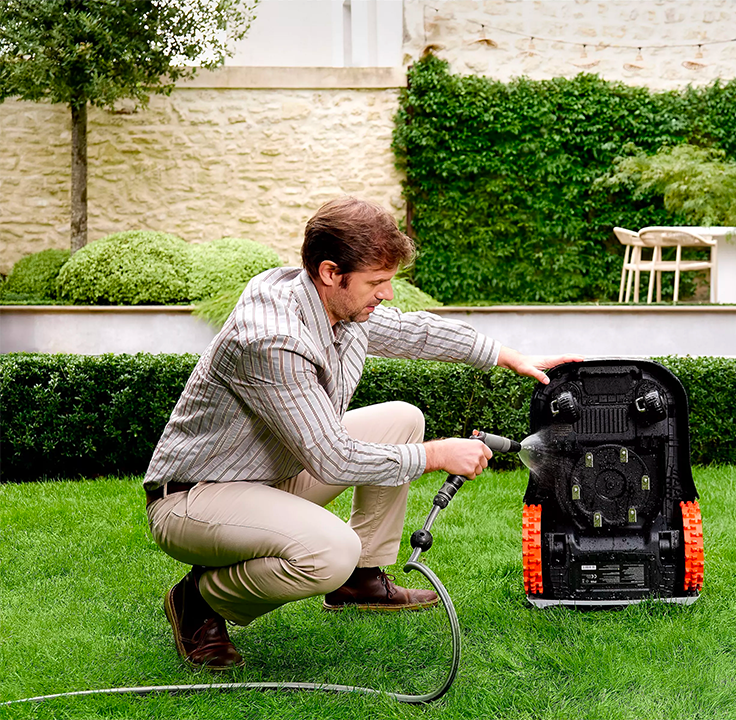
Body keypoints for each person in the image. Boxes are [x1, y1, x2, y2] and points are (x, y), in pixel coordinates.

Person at [144, 196, 580, 671]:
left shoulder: (333, 304)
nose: (387, 295)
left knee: (402, 419)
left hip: (272, 471)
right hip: (196, 498)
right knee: (329, 550)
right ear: (331, 272)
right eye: (377, 282)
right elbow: (334, 460)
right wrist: (435, 455)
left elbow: (412, 331)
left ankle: (359, 580)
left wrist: (506, 354)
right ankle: (201, 601)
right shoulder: (271, 339)